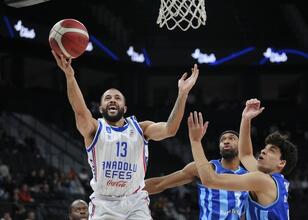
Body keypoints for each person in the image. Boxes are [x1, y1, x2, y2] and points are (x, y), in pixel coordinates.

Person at [52, 51, 199, 220]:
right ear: (100, 108)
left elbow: (170, 129)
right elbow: (80, 111)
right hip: (104, 204)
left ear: (125, 108)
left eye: (117, 98)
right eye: (107, 98)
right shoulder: (94, 128)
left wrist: (182, 95)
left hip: (135, 202)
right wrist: (70, 76)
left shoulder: (141, 128)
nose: (112, 100)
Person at [188, 99, 298, 220]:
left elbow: (210, 180)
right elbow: (245, 155)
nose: (263, 151)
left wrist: (195, 141)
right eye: (265, 148)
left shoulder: (262, 180)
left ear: (281, 163)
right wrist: (246, 119)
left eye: (271, 150)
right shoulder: (278, 180)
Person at [144, 130, 248, 219]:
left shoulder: (250, 178)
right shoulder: (204, 169)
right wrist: (131, 189)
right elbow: (161, 183)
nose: (226, 141)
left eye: (231, 138)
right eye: (223, 140)